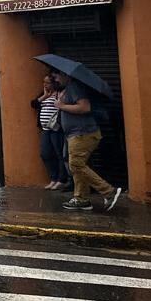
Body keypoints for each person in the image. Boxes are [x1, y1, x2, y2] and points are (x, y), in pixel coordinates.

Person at [53, 69, 121, 212]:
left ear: (65, 74)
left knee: (76, 164)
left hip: (82, 133)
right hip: (76, 134)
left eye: (57, 76)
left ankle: (109, 191)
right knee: (77, 166)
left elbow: (85, 107)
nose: (56, 80)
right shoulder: (68, 88)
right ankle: (81, 199)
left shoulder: (74, 87)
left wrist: (62, 106)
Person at [30, 74, 68, 190]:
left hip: (56, 129)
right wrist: (45, 96)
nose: (45, 85)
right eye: (44, 82)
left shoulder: (59, 93)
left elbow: (62, 107)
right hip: (45, 129)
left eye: (47, 82)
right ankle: (53, 178)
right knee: (45, 154)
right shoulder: (44, 94)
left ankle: (61, 180)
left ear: (53, 83)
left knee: (59, 154)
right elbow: (33, 104)